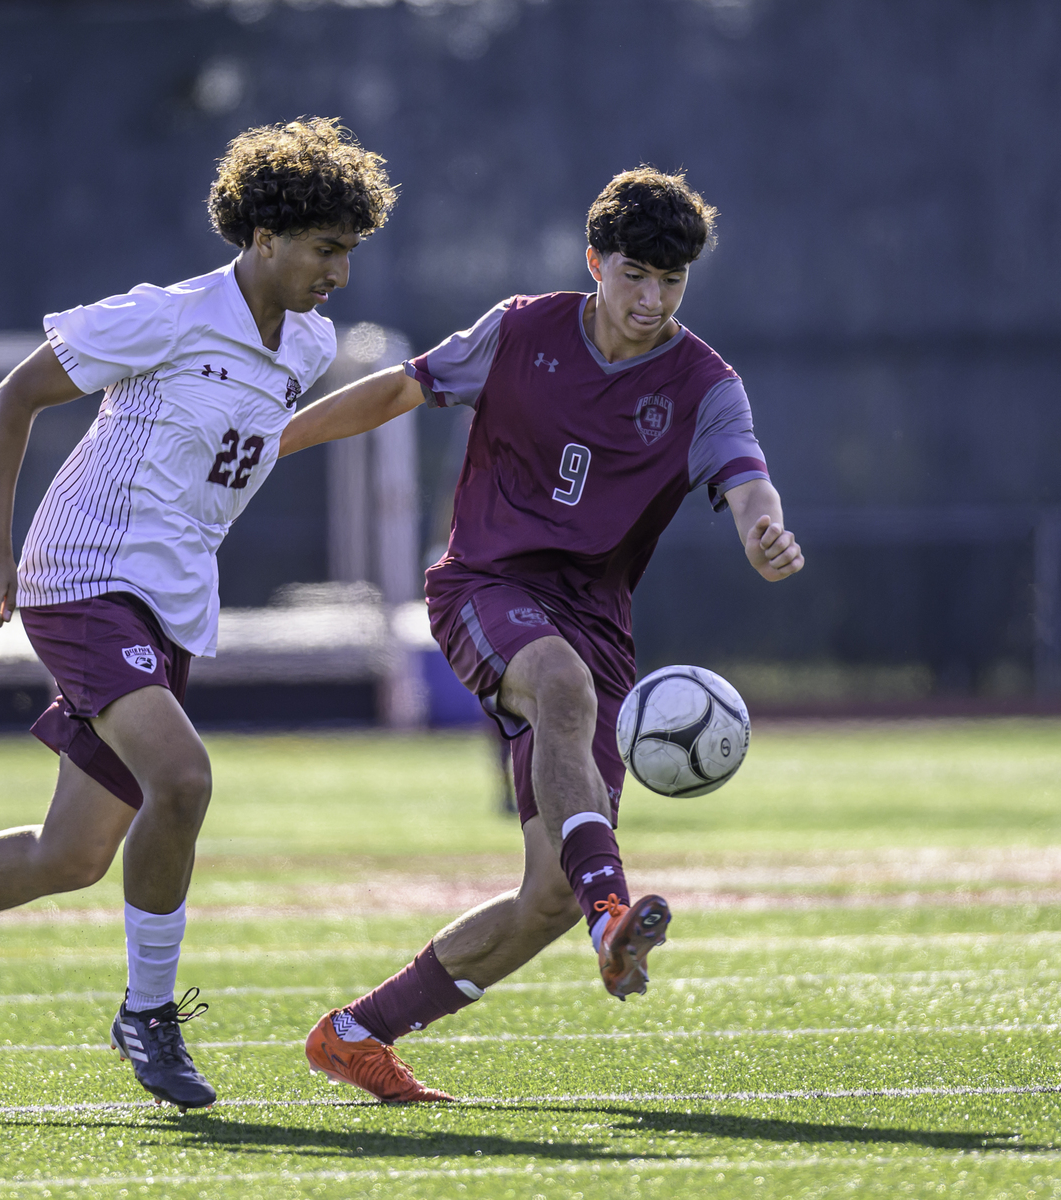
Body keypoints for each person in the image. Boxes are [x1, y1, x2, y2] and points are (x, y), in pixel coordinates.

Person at [0, 117, 397, 1111]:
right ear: (261, 239)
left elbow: (259, 438)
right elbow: (17, 397)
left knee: (72, 855)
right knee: (181, 778)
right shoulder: (168, 315)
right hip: (85, 574)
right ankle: (147, 1015)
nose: (339, 274)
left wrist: (409, 393)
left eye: (349, 252)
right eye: (325, 250)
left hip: (171, 598)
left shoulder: (305, 343)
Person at [280, 165, 804, 1102]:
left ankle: (357, 1033)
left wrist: (763, 530)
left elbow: (745, 474)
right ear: (594, 262)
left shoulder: (705, 384)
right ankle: (615, 910)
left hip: (596, 626)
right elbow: (399, 392)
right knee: (561, 695)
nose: (650, 300)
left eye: (671, 283)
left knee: (546, 894)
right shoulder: (518, 330)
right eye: (634, 275)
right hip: (484, 585)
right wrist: (276, 440)